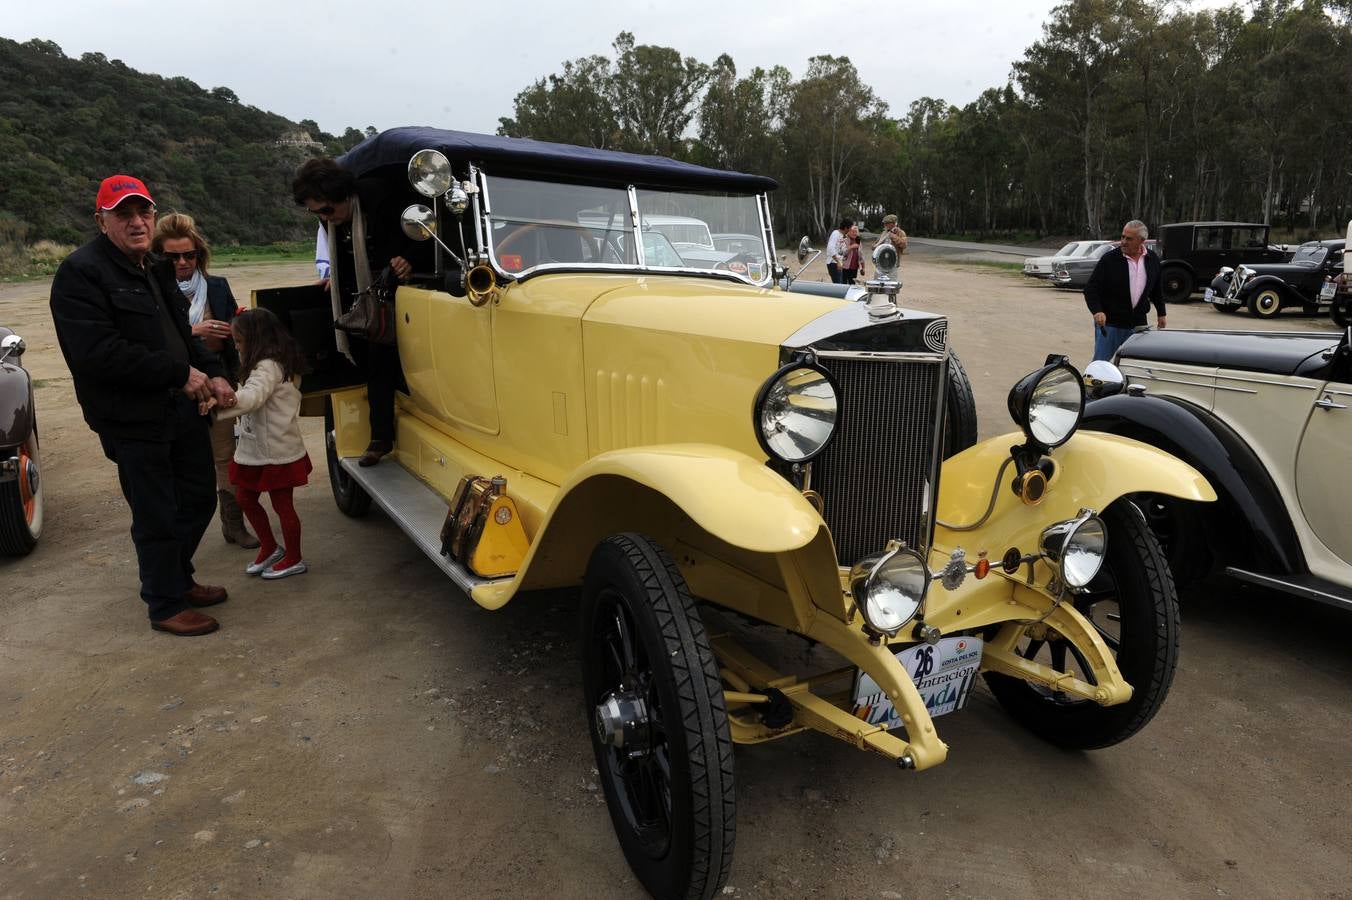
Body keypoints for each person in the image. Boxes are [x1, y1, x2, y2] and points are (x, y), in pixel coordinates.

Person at [49, 175, 236, 636]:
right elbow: (98, 353)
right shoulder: (82, 273)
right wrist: (179, 374)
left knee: (196, 497)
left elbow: (182, 332)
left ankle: (179, 577)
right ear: (102, 220)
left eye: (143, 212)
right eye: (123, 214)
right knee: (156, 512)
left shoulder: (153, 267)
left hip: (179, 407)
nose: (137, 222)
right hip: (131, 417)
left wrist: (210, 370)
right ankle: (165, 604)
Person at [292, 157, 417, 466]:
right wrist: (335, 279)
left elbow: (418, 235)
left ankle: (381, 436)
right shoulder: (331, 217)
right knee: (368, 357)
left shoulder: (381, 198)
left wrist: (407, 259)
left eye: (326, 210)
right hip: (360, 290)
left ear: (344, 195)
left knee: (381, 357)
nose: (324, 218)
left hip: (397, 287)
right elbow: (344, 253)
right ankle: (380, 433)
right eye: (316, 212)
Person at [152, 212, 260, 550]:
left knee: (226, 457)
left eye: (190, 255)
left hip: (217, 386)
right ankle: (176, 538)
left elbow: (233, 336)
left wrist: (236, 368)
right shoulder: (151, 290)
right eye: (173, 256)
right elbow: (152, 339)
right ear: (159, 256)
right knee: (174, 465)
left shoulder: (216, 286)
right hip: (172, 390)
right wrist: (194, 331)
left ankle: (233, 524)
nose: (183, 262)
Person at [215, 308, 313, 580]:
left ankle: (294, 557)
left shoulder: (268, 367)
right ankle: (270, 547)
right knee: (245, 497)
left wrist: (224, 402)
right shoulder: (267, 363)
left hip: (275, 452)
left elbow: (253, 396)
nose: (236, 347)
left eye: (239, 341)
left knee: (283, 505)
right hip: (256, 449)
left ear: (256, 340)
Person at [1084, 219, 1166, 362]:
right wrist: (1097, 310)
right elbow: (1091, 288)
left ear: (1142, 240)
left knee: (1136, 364)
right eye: (1122, 237)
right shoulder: (1109, 259)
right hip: (1110, 324)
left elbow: (1156, 289)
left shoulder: (1152, 260)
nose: (1123, 241)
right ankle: (1094, 385)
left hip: (1138, 324)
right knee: (1101, 365)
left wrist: (1161, 313)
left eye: (1129, 239)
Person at [825, 217, 852, 284]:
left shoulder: (843, 236)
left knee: (842, 285)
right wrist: (838, 261)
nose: (850, 230)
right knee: (839, 286)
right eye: (850, 228)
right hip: (833, 263)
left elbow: (841, 251)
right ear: (846, 228)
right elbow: (830, 248)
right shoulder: (835, 233)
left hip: (839, 263)